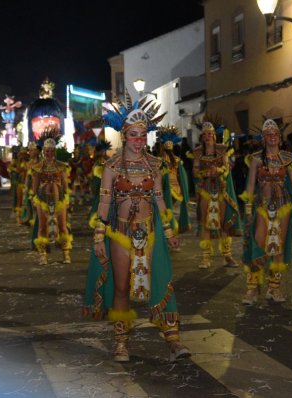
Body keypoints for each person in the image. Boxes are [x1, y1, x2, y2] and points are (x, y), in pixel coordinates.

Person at [84, 93, 191, 363]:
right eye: (134, 135)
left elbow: (160, 200)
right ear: (124, 135)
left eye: (143, 135)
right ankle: (121, 342)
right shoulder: (110, 166)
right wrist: (99, 236)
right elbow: (104, 201)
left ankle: (173, 339)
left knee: (159, 281)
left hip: (149, 232)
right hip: (120, 233)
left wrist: (168, 231)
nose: (139, 141)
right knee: (121, 287)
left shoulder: (155, 165)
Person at [240, 119, 292, 304]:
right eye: (268, 134)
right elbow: (251, 185)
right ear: (263, 138)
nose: (272, 137)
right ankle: (252, 289)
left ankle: (274, 288)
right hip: (262, 206)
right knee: (259, 244)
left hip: (283, 206)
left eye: (275, 134)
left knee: (279, 245)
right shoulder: (255, 159)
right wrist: (247, 209)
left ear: (280, 137)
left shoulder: (287, 158)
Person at [192, 120, 241, 268]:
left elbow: (226, 168)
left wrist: (219, 170)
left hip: (221, 189)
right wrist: (204, 172)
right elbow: (194, 171)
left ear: (214, 135)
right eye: (205, 134)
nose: (207, 136)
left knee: (224, 223)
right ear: (202, 136)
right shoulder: (198, 152)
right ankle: (206, 258)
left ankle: (227, 256)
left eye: (210, 134)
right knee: (206, 222)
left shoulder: (222, 149)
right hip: (206, 190)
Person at [31, 127, 73, 265]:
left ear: (55, 151)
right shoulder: (38, 167)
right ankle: (43, 255)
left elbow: (65, 184)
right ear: (43, 151)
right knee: (42, 226)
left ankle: (66, 253)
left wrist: (68, 198)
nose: (49, 153)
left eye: (51, 151)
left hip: (59, 199)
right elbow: (35, 185)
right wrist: (33, 198)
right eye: (47, 151)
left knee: (62, 225)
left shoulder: (61, 166)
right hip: (42, 200)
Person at [157, 125, 191, 234]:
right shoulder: (176, 160)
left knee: (166, 210)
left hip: (166, 189)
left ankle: (169, 231)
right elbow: (182, 176)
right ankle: (170, 230)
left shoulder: (160, 160)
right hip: (176, 190)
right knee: (169, 210)